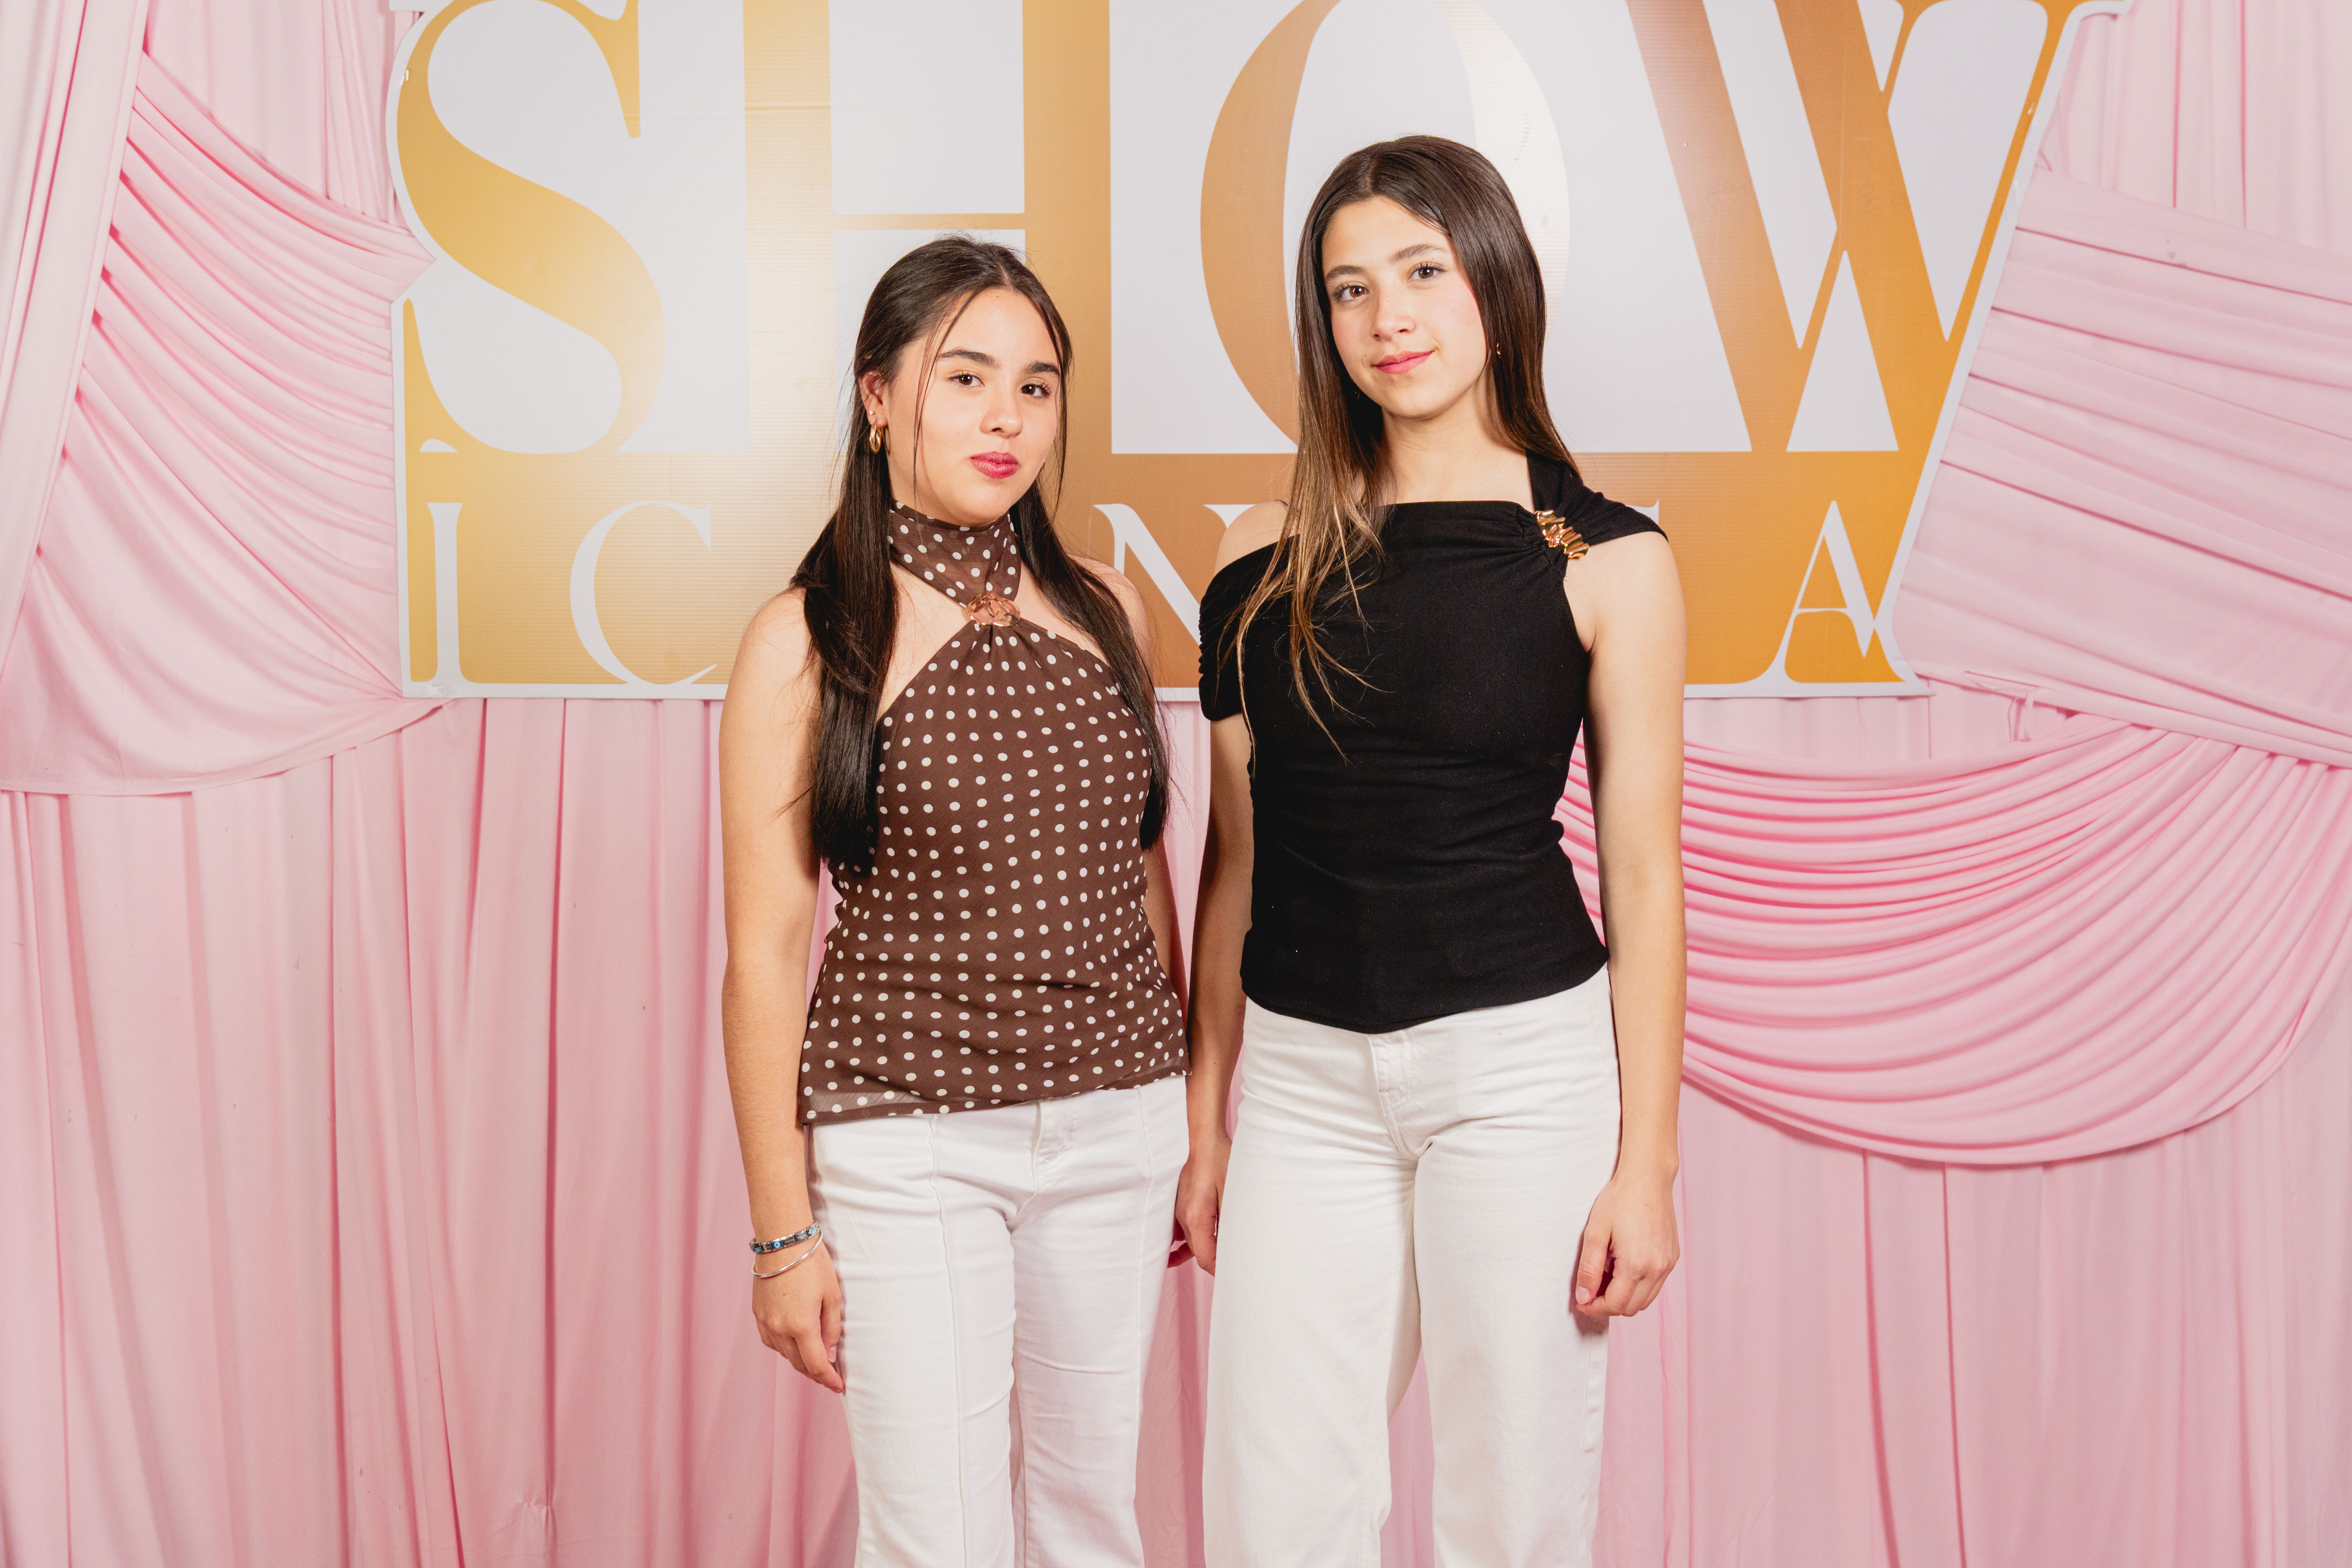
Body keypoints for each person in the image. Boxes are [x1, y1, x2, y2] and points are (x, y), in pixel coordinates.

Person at [1181, 136, 1689, 1567]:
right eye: (1350, 290)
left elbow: (1646, 877)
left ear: (1497, 286)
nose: (1388, 317)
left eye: (1422, 271)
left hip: (1521, 1071)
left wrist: (1647, 1164)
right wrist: (1208, 1117)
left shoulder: (1607, 559)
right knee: (1274, 1518)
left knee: (1510, 1514)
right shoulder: (1252, 561)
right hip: (1303, 1082)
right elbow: (1236, 862)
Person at [718, 236, 1189, 1567]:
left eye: (1036, 387)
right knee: (937, 1537)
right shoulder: (808, 638)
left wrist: (1182, 1112)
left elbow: (1143, 873)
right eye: (966, 377)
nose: (1007, 419)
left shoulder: (1110, 608)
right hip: (909, 1137)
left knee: (1093, 1517)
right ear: (879, 397)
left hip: (1119, 1126)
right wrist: (783, 1235)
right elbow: (764, 955)